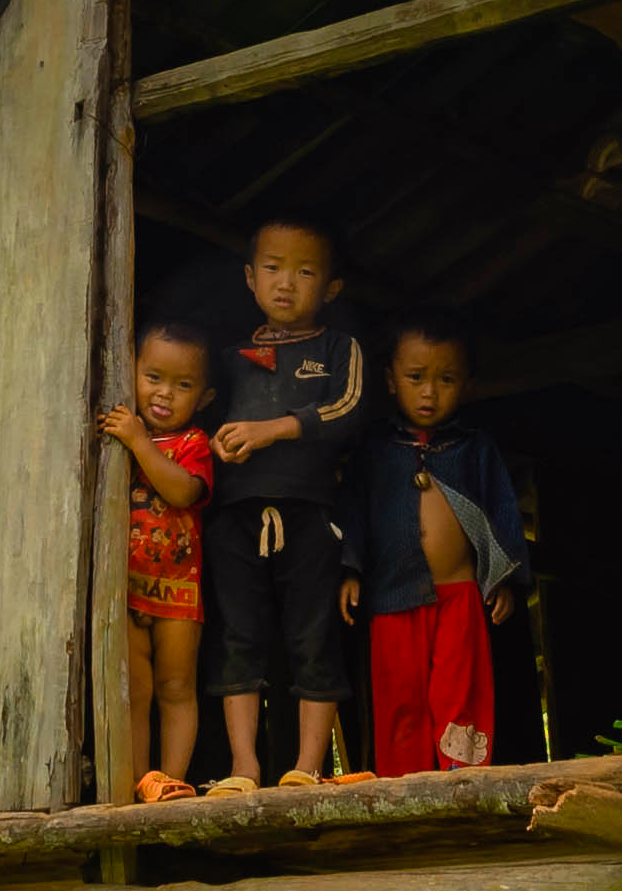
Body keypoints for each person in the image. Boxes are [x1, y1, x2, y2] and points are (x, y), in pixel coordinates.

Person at [201, 216, 370, 789]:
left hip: (311, 518)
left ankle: (306, 768)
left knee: (313, 635)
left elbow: (349, 409)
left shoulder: (339, 349)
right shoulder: (226, 361)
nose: (285, 283)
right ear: (250, 278)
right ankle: (244, 767)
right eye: (272, 268)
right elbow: (192, 420)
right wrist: (218, 441)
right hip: (234, 518)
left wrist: (272, 429)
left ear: (331, 288)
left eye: (304, 272)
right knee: (237, 635)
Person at [355, 321, 526, 776]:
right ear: (390, 379)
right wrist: (349, 570)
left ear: (467, 386)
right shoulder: (375, 449)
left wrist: (504, 579)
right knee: (400, 697)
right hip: (392, 596)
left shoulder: (473, 449)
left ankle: (462, 783)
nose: (429, 392)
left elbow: (502, 510)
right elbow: (354, 511)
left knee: (459, 691)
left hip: (461, 596)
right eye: (416, 378)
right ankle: (402, 788)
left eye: (445, 380)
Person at [97, 323, 219, 801]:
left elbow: (183, 490)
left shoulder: (193, 444)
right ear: (131, 373)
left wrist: (139, 441)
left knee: (175, 687)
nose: (165, 393)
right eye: (153, 377)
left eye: (182, 385)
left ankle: (171, 780)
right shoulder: (115, 435)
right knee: (135, 693)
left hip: (178, 590)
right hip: (125, 588)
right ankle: (138, 782)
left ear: (204, 397)